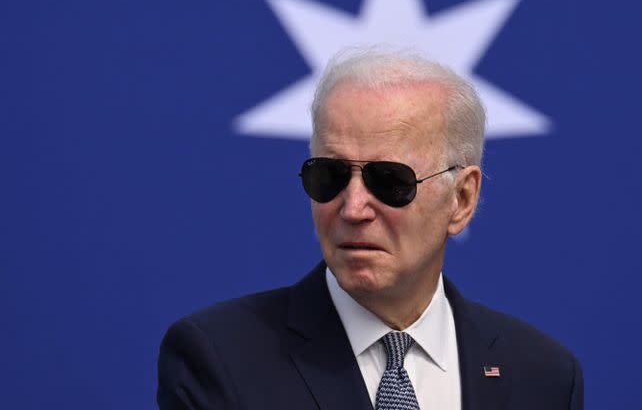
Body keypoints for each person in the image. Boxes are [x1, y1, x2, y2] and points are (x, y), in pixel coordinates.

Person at [157, 47, 583, 409]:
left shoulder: (542, 377)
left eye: (390, 181)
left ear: (461, 199)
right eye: (330, 175)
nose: (354, 207)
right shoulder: (221, 359)